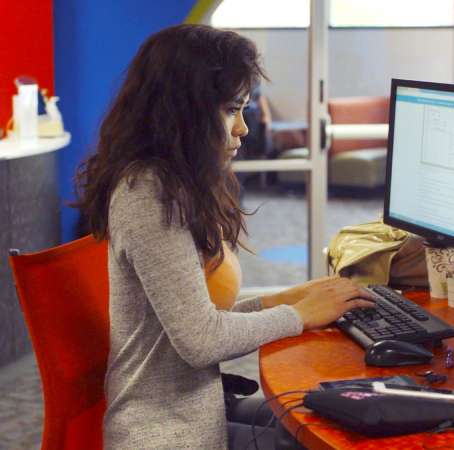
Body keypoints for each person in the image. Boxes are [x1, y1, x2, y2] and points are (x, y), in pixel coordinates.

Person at [73, 24, 374, 449]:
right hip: (166, 433)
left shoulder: (169, 182)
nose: (243, 130)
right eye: (232, 110)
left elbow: (192, 319)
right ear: (185, 111)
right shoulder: (148, 194)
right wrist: (301, 315)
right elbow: (201, 340)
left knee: (315, 416)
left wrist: (285, 299)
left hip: (197, 408)